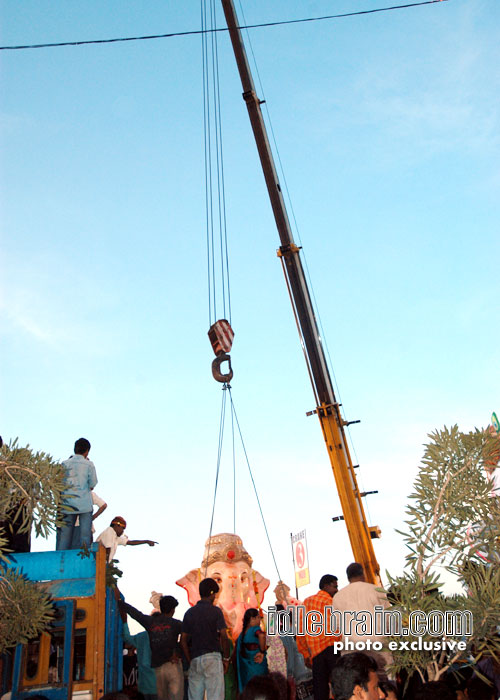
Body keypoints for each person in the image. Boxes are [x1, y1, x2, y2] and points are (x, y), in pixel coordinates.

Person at [333, 563, 392, 678]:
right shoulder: (377, 590)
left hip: (352, 649)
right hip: (377, 647)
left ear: (348, 577)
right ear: (363, 574)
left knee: (358, 685)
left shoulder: (338, 597)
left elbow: (338, 626)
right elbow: (389, 619)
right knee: (384, 685)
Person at [119, 594, 182, 700]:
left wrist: (123, 616)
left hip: (144, 687)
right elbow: (188, 635)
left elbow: (128, 634)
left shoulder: (142, 635)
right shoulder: (174, 625)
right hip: (160, 683)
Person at [181, 578, 231, 700]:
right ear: (212, 594)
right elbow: (224, 636)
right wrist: (226, 658)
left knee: (194, 697)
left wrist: (190, 659)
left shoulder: (189, 613)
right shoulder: (216, 611)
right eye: (215, 594)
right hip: (213, 658)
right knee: (215, 696)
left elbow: (183, 641)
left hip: (195, 659)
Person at [296, 574, 341, 700]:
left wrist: (305, 654)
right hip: (333, 650)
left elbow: (301, 630)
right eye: (335, 586)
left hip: (316, 654)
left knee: (320, 691)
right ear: (326, 586)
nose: (337, 590)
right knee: (340, 688)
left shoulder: (306, 602)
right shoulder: (332, 602)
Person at [56, 437, 97, 551]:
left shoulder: (64, 464)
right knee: (84, 537)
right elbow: (93, 483)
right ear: (87, 451)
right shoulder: (89, 465)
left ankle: (61, 561)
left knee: (64, 538)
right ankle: (84, 559)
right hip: (84, 505)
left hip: (67, 503)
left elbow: (58, 482)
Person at [235, 608, 268, 692]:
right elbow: (262, 636)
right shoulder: (255, 629)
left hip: (248, 670)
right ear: (252, 619)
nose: (260, 620)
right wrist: (262, 652)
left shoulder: (242, 634)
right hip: (257, 666)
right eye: (258, 617)